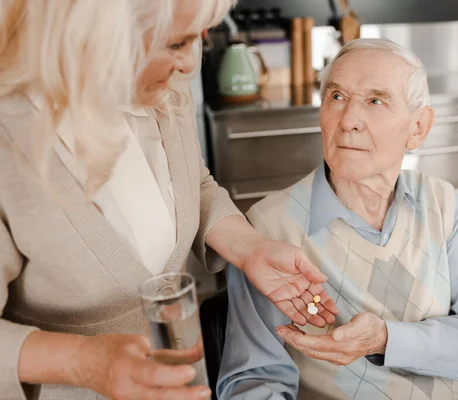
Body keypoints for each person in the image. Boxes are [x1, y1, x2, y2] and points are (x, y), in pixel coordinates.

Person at [0, 1, 337, 399]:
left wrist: (251, 249)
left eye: (199, 37)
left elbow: (193, 184)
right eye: (177, 43)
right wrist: (82, 361)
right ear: (95, 37)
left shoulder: (164, 92)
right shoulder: (11, 143)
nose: (190, 66)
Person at [217, 39, 458, 400]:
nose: (349, 121)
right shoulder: (268, 230)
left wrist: (386, 339)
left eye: (375, 101)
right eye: (336, 97)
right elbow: (254, 382)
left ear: (418, 128)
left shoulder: (442, 203)